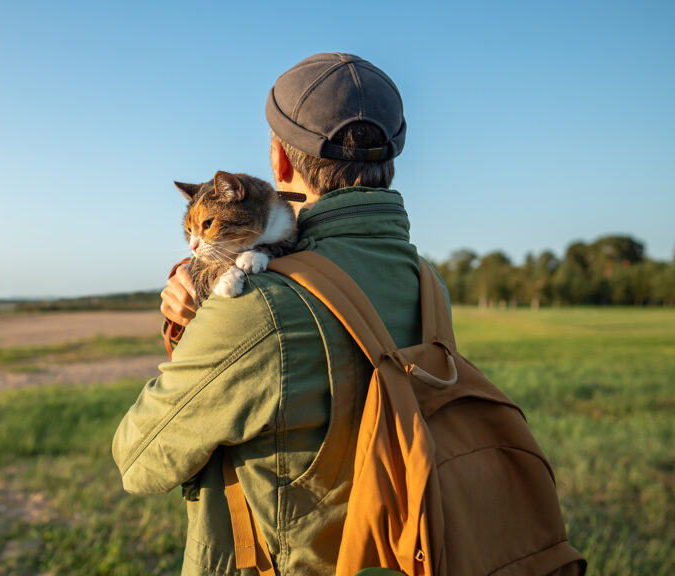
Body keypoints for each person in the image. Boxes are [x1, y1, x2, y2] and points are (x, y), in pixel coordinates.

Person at [112, 53, 448, 576]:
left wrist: (194, 323)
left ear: (280, 160)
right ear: (390, 160)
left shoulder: (257, 304)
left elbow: (138, 462)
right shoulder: (429, 285)